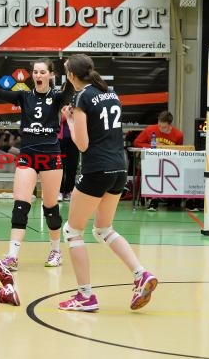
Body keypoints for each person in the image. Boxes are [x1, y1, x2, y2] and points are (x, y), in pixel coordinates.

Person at [58, 54, 158, 312]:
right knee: (103, 229)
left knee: (72, 231)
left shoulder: (81, 97)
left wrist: (69, 119)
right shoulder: (110, 93)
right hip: (118, 167)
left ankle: (85, 296)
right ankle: (140, 274)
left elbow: (82, 144)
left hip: (96, 169)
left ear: (71, 76)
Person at [0, 60, 73, 270]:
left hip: (50, 157)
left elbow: (69, 92)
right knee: (20, 205)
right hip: (28, 155)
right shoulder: (24, 96)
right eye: (35, 72)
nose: (38, 75)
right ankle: (12, 255)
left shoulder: (56, 97)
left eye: (42, 72)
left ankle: (56, 250)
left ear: (50, 75)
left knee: (50, 207)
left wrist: (69, 71)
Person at [133, 111, 185, 211]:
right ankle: (153, 199)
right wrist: (154, 147)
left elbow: (179, 152)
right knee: (154, 170)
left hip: (170, 165)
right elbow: (137, 142)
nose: (161, 129)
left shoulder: (178, 135)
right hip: (152, 163)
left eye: (164, 127)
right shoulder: (150, 130)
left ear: (170, 125)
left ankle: (173, 199)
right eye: (159, 125)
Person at [58, 115, 79, 201]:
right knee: (60, 165)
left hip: (74, 139)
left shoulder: (77, 104)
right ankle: (59, 191)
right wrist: (67, 114)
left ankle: (69, 191)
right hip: (60, 139)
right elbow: (57, 118)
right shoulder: (58, 103)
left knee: (72, 165)